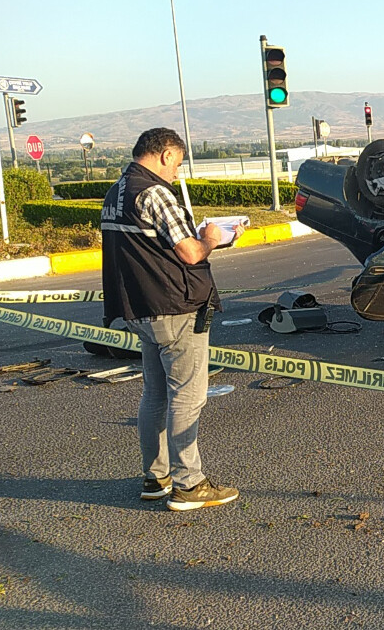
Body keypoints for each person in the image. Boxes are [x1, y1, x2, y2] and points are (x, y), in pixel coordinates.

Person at [101, 128, 242, 511]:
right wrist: (214, 237)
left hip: (141, 308)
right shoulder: (155, 193)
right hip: (175, 308)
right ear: (164, 155)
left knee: (155, 395)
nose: (177, 173)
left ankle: (156, 477)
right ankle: (189, 484)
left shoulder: (117, 192)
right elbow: (191, 253)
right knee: (188, 398)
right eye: (178, 164)